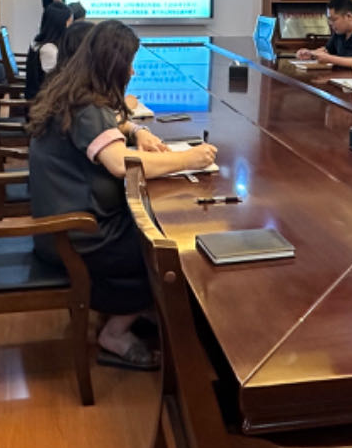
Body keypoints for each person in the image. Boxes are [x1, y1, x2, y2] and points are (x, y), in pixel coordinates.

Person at [28, 20, 216, 369]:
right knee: (173, 248)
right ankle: (116, 332)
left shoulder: (75, 93)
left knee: (157, 222)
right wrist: (187, 159)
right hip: (79, 236)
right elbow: (117, 163)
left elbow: (114, 123)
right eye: (128, 63)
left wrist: (137, 130)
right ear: (111, 65)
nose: (132, 71)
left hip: (64, 227)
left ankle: (140, 307)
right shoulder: (87, 109)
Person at [22, 2, 73, 105]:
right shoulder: (49, 50)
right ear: (61, 24)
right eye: (70, 22)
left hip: (45, 102)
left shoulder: (39, 43)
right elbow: (55, 84)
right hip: (44, 106)